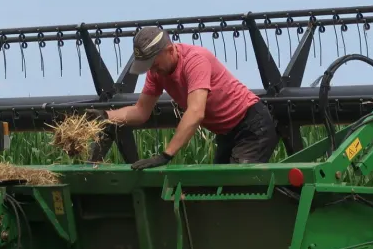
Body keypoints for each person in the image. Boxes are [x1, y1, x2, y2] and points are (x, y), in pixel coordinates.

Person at [86, 26, 280, 169]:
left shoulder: (195, 61)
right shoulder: (158, 73)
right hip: (227, 133)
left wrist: (165, 155)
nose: (152, 70)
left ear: (170, 50)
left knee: (236, 186)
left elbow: (196, 112)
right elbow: (140, 111)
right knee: (217, 189)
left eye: (153, 63)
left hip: (253, 125)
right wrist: (106, 116)